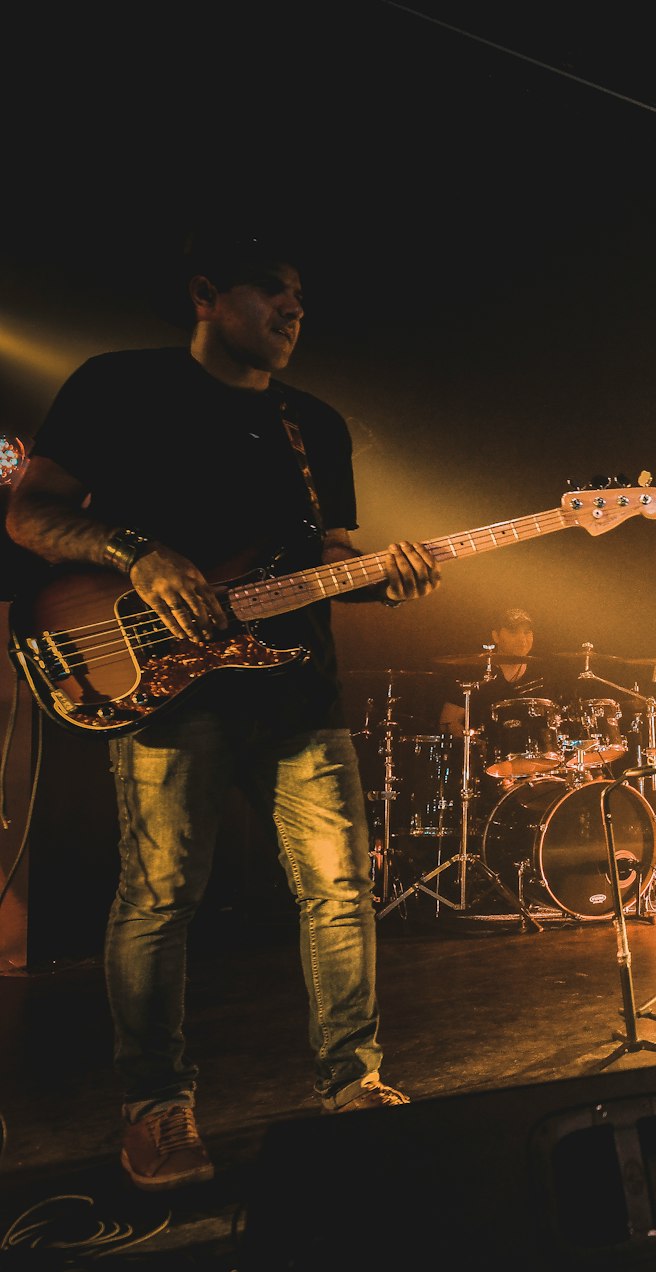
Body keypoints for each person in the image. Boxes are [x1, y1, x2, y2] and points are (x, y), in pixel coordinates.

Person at [4, 232, 442, 1191]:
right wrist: (136, 552)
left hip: (299, 691)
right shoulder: (117, 385)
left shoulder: (313, 424)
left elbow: (317, 555)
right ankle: (156, 1111)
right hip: (165, 688)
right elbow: (29, 513)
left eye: (302, 299)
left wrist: (381, 577)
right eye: (273, 291)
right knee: (161, 898)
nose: (294, 311)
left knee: (339, 894)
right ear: (207, 294)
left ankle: (355, 1087)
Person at [437, 606, 550, 771]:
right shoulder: (474, 671)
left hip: (536, 765)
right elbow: (447, 722)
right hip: (485, 765)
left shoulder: (542, 674)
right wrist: (477, 747)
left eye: (527, 632)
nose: (522, 639)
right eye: (513, 632)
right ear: (496, 636)